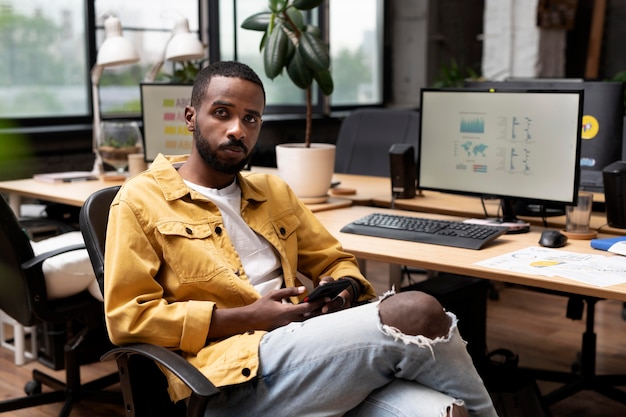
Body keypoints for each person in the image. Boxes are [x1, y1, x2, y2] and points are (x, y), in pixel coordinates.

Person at [104, 60, 498, 417]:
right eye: (222, 113)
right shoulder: (140, 201)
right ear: (190, 117)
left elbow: (335, 261)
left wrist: (341, 291)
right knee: (415, 311)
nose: (237, 130)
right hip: (227, 381)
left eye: (251, 119)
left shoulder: (273, 192)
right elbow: (127, 320)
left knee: (443, 413)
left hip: (304, 350)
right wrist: (248, 317)